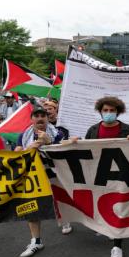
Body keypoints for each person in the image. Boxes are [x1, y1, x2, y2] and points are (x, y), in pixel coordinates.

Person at [84, 96, 129, 257]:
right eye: (105, 110)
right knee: (103, 203)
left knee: (119, 206)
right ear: (100, 111)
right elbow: (85, 151)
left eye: (112, 111)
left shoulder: (128, 129)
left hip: (122, 176)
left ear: (118, 112)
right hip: (100, 176)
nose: (109, 113)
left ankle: (117, 246)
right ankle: (106, 228)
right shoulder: (92, 130)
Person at [15, 106, 65, 257]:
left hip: (55, 173)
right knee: (32, 207)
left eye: (43, 115)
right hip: (33, 175)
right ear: (32, 119)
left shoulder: (59, 133)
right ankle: (36, 241)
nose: (40, 118)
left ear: (47, 118)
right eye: (36, 115)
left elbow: (63, 148)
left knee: (62, 201)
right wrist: (35, 145)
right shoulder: (24, 135)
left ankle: (65, 220)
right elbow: (18, 152)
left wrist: (48, 141)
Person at [42, 100, 72, 235]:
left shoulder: (63, 126)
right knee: (57, 194)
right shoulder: (40, 127)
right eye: (46, 109)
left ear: (56, 110)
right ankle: (65, 220)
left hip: (66, 164)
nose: (48, 111)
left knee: (75, 192)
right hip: (49, 166)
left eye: (50, 108)